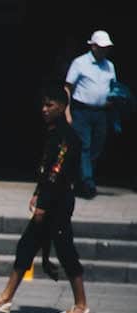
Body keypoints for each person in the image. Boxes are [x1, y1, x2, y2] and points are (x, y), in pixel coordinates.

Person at [0, 83, 89, 313]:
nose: (44, 109)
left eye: (50, 105)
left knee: (66, 250)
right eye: (44, 104)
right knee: (27, 245)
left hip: (58, 202)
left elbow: (57, 173)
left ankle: (81, 305)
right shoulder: (53, 132)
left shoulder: (67, 137)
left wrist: (43, 204)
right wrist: (38, 192)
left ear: (61, 106)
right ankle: (6, 297)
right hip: (49, 197)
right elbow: (47, 170)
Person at [65, 30, 116, 199]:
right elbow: (68, 87)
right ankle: (87, 183)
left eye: (106, 48)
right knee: (84, 146)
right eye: (101, 47)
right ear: (93, 46)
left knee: (96, 148)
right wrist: (67, 110)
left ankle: (82, 181)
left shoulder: (110, 66)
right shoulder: (80, 63)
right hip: (82, 111)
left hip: (101, 113)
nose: (104, 51)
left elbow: (113, 87)